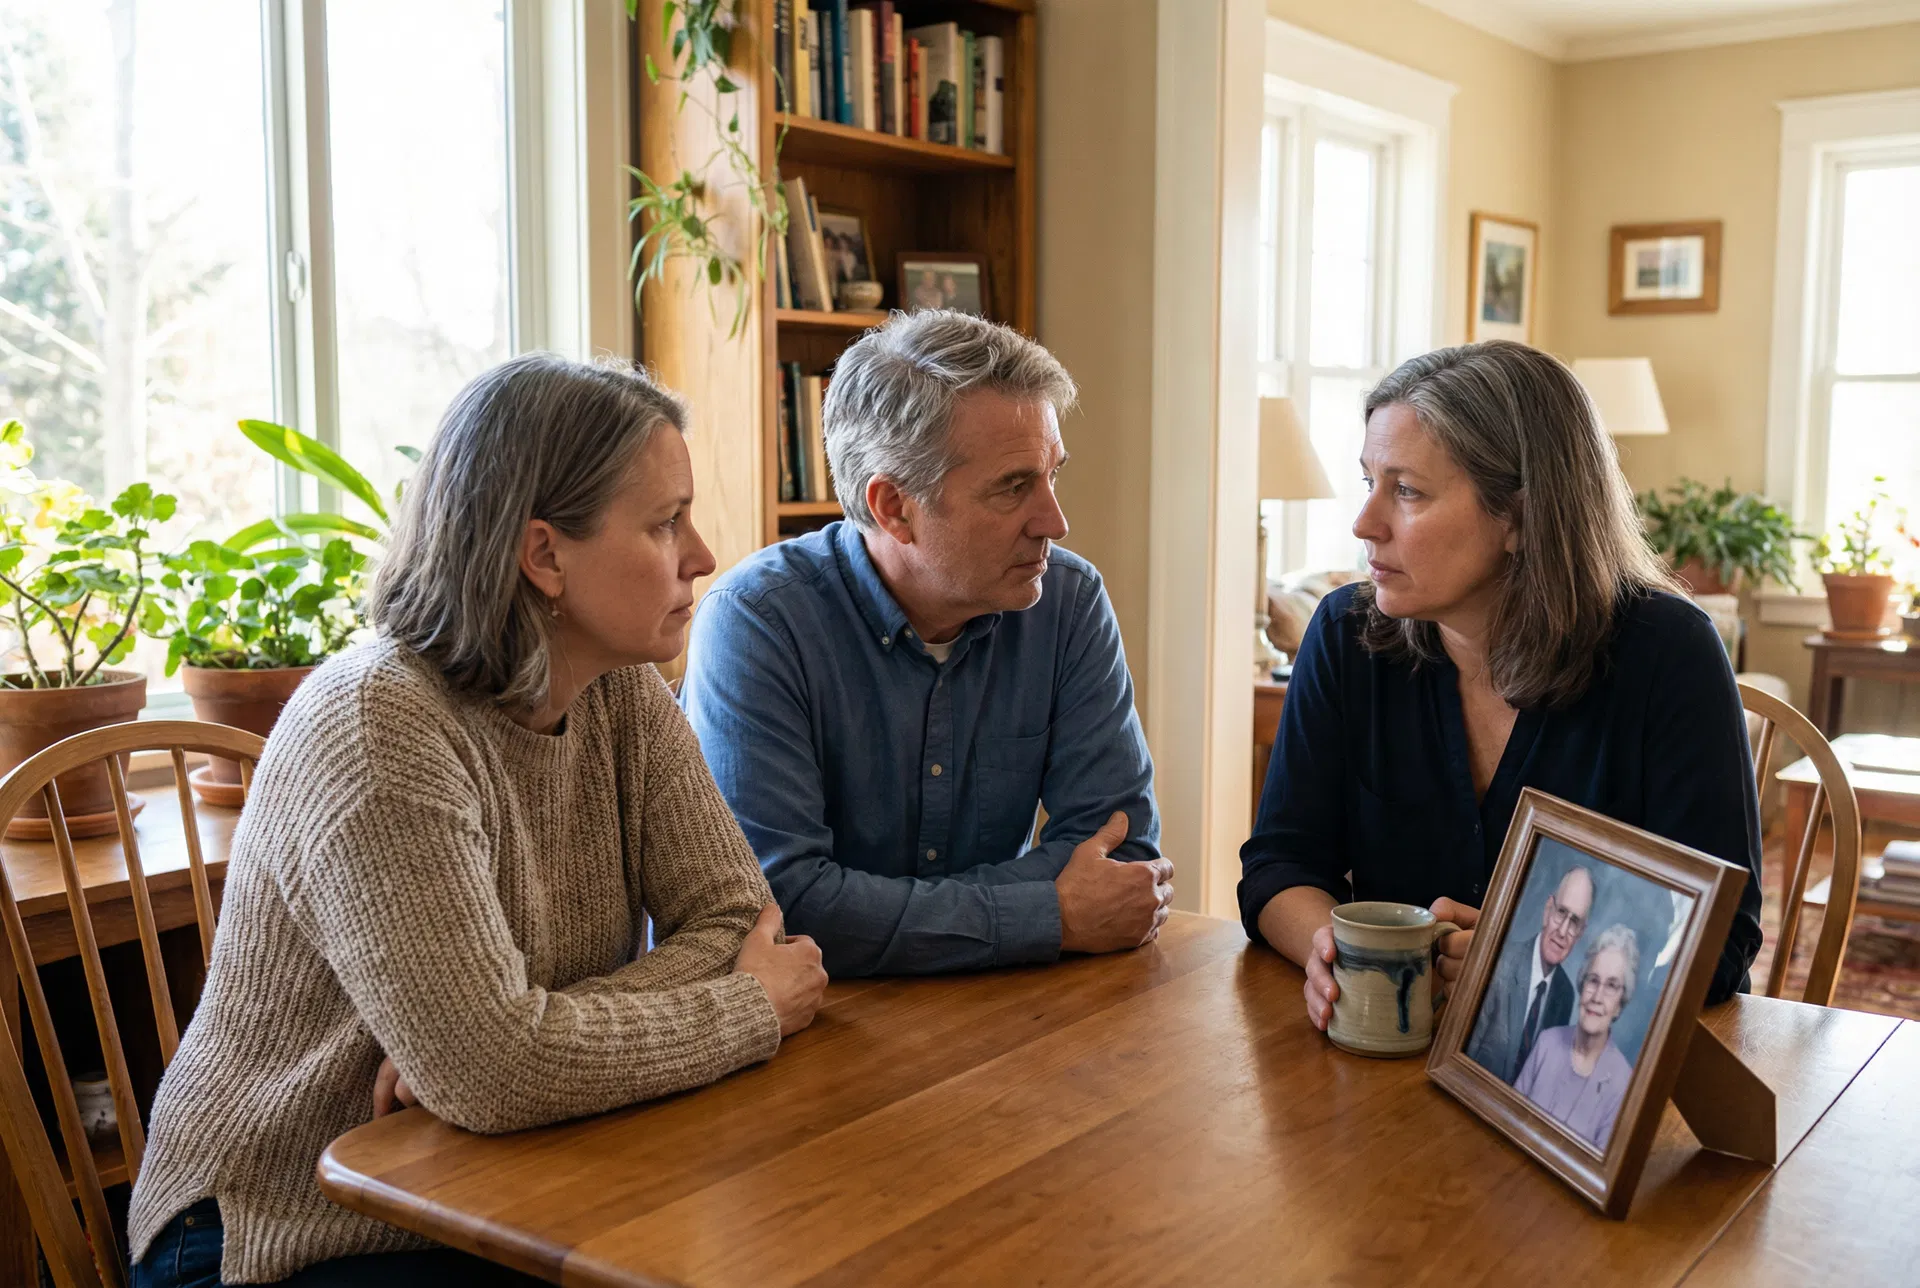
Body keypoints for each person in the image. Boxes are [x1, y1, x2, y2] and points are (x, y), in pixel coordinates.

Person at [128, 355, 828, 1286]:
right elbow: (497, 1072)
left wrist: (518, 1046)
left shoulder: (622, 688)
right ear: (544, 555)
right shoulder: (378, 724)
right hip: (278, 1227)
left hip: (503, 1172)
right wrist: (745, 1007)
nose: (701, 555)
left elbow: (740, 921)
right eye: (666, 523)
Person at [1238, 340, 1763, 1031]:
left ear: (1518, 516)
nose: (1365, 524)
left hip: (1589, 1079)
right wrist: (1340, 955)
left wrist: (1527, 960)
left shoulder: (1670, 655)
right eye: (1371, 483)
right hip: (1392, 1057)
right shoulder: (1345, 636)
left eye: (1407, 491)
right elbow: (1281, 864)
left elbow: (1720, 942)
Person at [681, 310, 1170, 977]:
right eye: (1013, 486)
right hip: (812, 1034)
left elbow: (1119, 860)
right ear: (892, 507)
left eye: (1053, 474)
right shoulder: (758, 624)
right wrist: (1045, 913)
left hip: (1004, 1015)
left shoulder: (1068, 600)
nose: (1054, 521)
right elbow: (782, 905)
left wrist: (883, 916)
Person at [1515, 925, 1641, 1149]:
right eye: (1593, 980)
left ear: (1620, 1004)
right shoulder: (1547, 1042)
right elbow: (1508, 1116)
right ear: (1582, 986)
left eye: (1612, 986)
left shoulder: (1623, 1084)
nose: (1598, 996)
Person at [1466, 866, 1593, 1084]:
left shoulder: (1565, 994)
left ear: (1581, 932)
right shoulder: (1501, 962)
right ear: (1547, 910)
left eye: (1574, 922)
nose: (1562, 931)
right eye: (1561, 912)